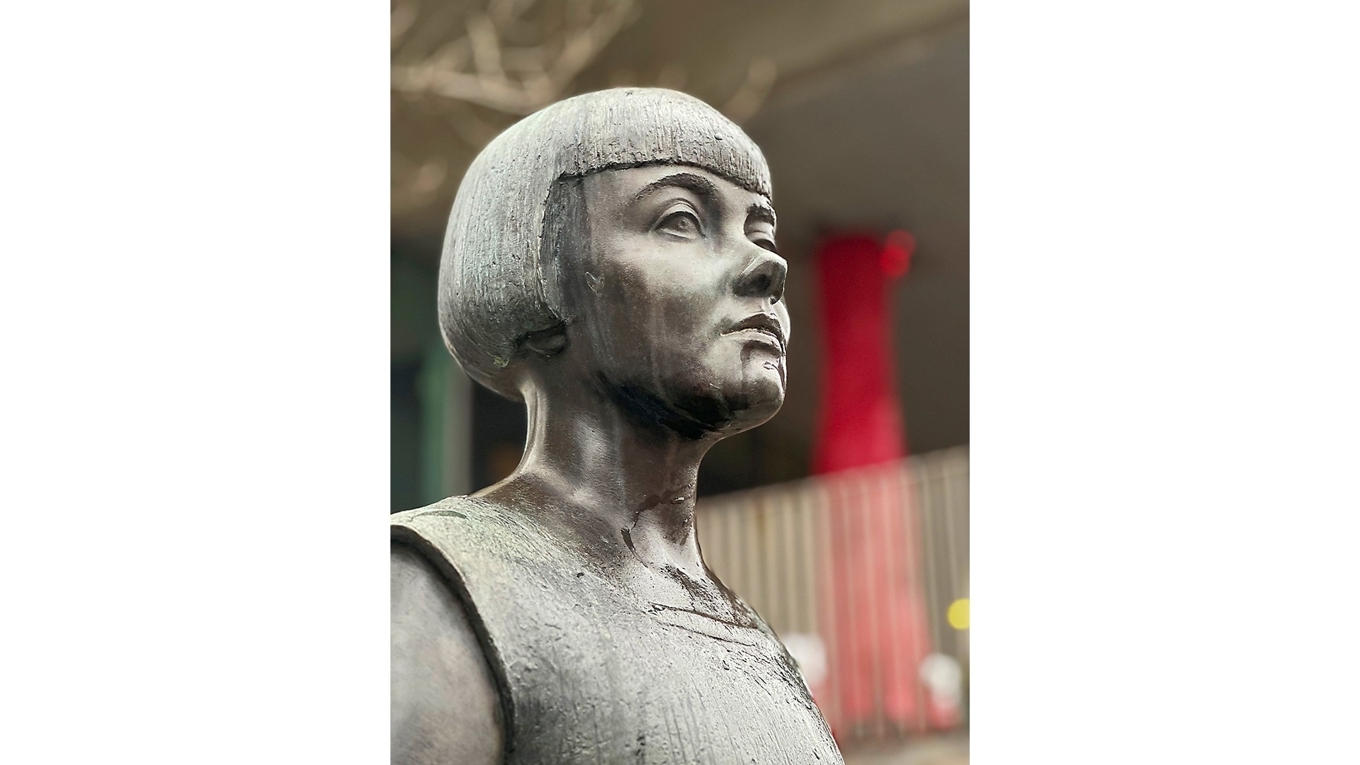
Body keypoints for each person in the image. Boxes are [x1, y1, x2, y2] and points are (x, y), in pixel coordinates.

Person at [391, 87, 843, 764]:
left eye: (761, 233)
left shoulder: (756, 644)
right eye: (683, 220)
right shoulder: (436, 586)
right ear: (541, 269)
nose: (767, 266)